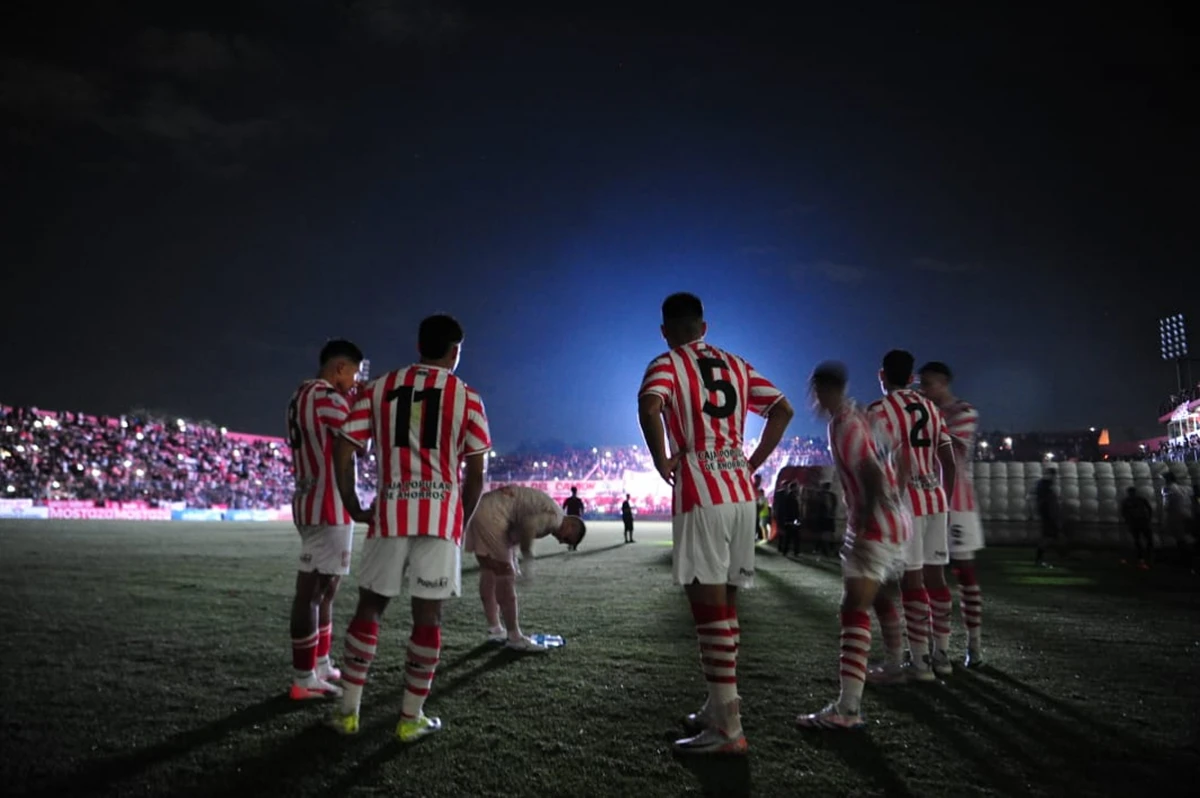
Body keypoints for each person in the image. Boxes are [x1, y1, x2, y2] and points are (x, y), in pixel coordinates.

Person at [637, 292, 794, 755]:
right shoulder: (737, 364)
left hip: (700, 488)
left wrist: (661, 457)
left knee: (707, 609)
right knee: (726, 603)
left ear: (665, 331)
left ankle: (728, 729)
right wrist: (753, 461)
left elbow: (649, 406)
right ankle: (718, 705)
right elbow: (783, 409)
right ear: (704, 327)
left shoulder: (665, 363)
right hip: (740, 492)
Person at [326, 314, 491, 743]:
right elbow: (476, 473)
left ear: (419, 345)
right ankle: (409, 718)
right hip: (439, 515)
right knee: (428, 615)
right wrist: (462, 517)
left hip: (389, 511)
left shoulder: (377, 388)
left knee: (370, 608)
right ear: (454, 351)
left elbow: (344, 449)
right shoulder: (467, 396)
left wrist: (352, 504)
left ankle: (347, 713)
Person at [796, 362, 910, 730]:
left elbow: (872, 475)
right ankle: (894, 665)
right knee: (880, 597)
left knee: (853, 608)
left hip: (875, 526)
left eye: (812, 393)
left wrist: (863, 527)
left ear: (819, 390)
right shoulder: (865, 414)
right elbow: (898, 461)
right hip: (898, 522)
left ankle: (847, 709)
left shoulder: (844, 424)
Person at [866, 350, 955, 681]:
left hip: (907, 504)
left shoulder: (879, 410)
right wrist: (946, 497)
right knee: (937, 579)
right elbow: (948, 461)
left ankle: (918, 663)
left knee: (911, 580)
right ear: (912, 377)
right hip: (935, 499)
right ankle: (941, 656)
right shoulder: (932, 409)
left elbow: (878, 463)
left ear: (882, 375)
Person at [285, 339, 366, 700]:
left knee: (326, 588)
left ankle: (319, 664)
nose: (354, 381)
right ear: (340, 369)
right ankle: (304, 679)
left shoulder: (300, 395)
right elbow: (359, 441)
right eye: (354, 374)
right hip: (327, 503)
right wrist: (361, 404)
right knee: (313, 592)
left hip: (311, 499)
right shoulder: (328, 397)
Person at [917, 361, 984, 668]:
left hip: (958, 502)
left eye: (928, 383)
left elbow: (948, 448)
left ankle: (975, 646)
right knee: (929, 573)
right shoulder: (927, 413)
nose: (924, 389)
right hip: (930, 501)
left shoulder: (964, 412)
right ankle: (936, 646)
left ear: (944, 382)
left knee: (965, 574)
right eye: (921, 384)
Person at [465, 485, 587, 649]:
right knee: (505, 575)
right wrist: (528, 559)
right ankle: (514, 637)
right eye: (566, 539)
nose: (560, 541)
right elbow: (528, 525)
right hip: (494, 515)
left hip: (481, 507)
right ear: (571, 527)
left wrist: (514, 557)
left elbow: (515, 529)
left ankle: (495, 630)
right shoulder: (555, 518)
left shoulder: (553, 509)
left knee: (489, 571)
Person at [1034, 469, 1063, 566]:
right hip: (1048, 515)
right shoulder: (1044, 487)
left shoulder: (1045, 486)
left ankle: (1043, 558)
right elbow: (1047, 503)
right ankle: (1041, 559)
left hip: (1048, 515)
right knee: (1048, 537)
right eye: (1053, 475)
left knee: (1050, 537)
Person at [1119, 487, 1154, 568]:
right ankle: (1142, 556)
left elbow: (1149, 508)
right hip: (1136, 523)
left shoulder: (1137, 500)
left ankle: (1146, 556)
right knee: (1139, 540)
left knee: (1146, 539)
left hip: (1141, 522)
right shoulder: (1129, 501)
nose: (1131, 494)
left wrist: (1148, 518)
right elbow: (1123, 511)